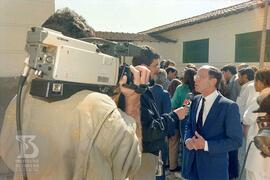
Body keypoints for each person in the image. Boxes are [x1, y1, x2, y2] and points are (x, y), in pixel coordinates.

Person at [0, 65, 151, 180]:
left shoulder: (22, 97)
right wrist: (133, 99)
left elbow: (8, 155)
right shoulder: (99, 108)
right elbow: (130, 164)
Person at [131, 46, 188, 180]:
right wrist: (174, 116)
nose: (158, 69)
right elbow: (148, 130)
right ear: (144, 67)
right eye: (155, 65)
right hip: (143, 155)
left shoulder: (143, 90)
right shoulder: (136, 94)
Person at [183, 65, 242, 180]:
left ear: (213, 81)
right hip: (192, 167)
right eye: (196, 76)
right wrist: (187, 139)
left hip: (214, 170)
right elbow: (189, 125)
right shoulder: (194, 100)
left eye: (200, 77)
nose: (195, 79)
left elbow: (236, 141)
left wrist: (206, 145)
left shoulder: (229, 106)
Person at [243, 68, 270, 180]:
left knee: (254, 174)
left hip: (258, 145)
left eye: (254, 81)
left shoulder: (260, 98)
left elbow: (247, 119)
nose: (254, 84)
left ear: (260, 81)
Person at [171, 68, 197, 173]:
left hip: (184, 118)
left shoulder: (181, 89)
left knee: (186, 144)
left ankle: (186, 169)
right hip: (198, 119)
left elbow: (175, 105)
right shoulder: (198, 89)